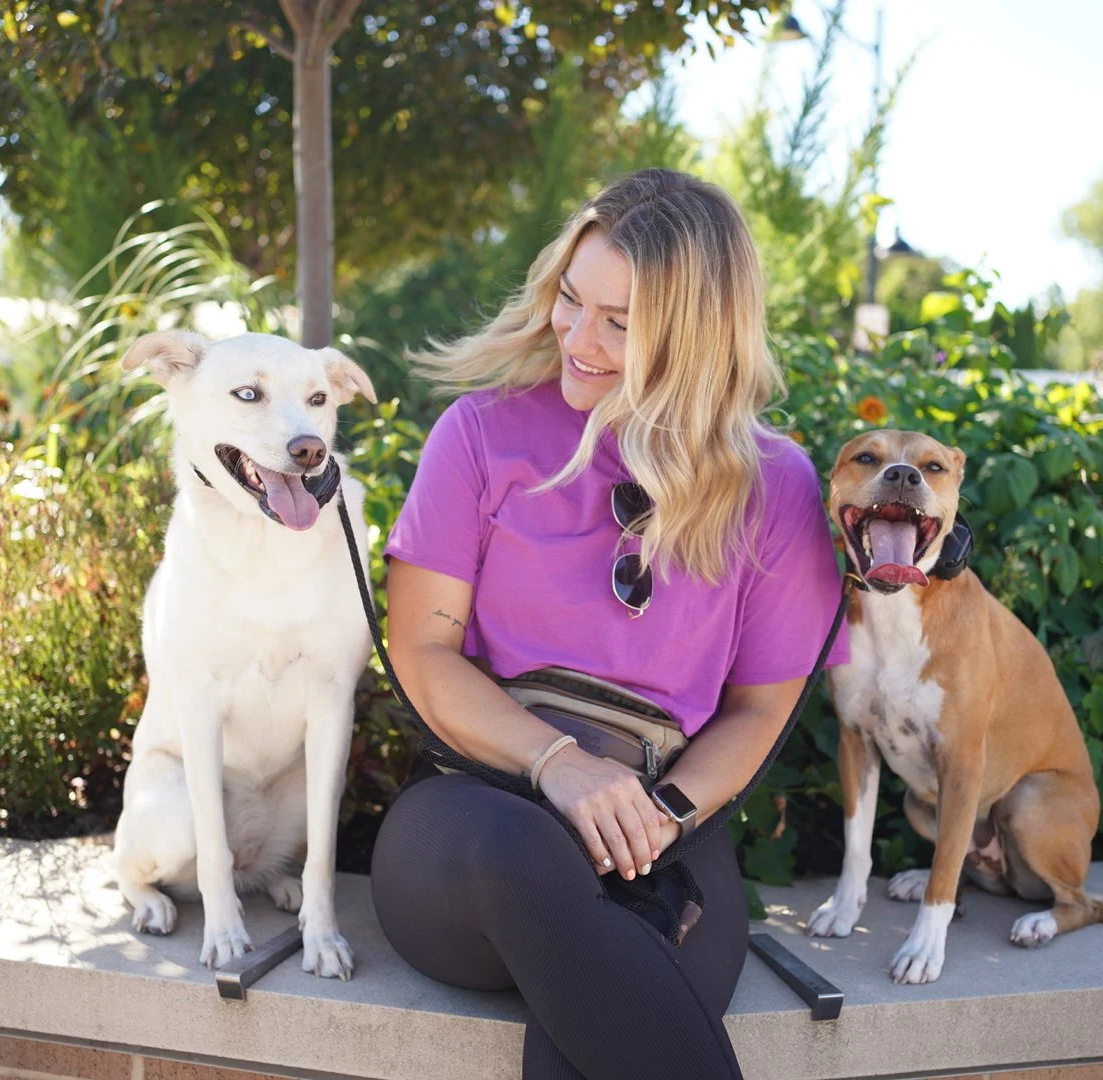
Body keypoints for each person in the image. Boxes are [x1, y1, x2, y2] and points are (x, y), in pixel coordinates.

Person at [370, 168, 849, 1079]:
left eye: (620, 323)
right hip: (477, 818)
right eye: (571, 300)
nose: (578, 339)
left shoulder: (774, 486)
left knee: (617, 978)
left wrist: (659, 816)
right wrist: (560, 767)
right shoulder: (479, 436)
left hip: (665, 826)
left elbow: (758, 709)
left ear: (698, 334)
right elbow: (422, 653)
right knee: (531, 860)